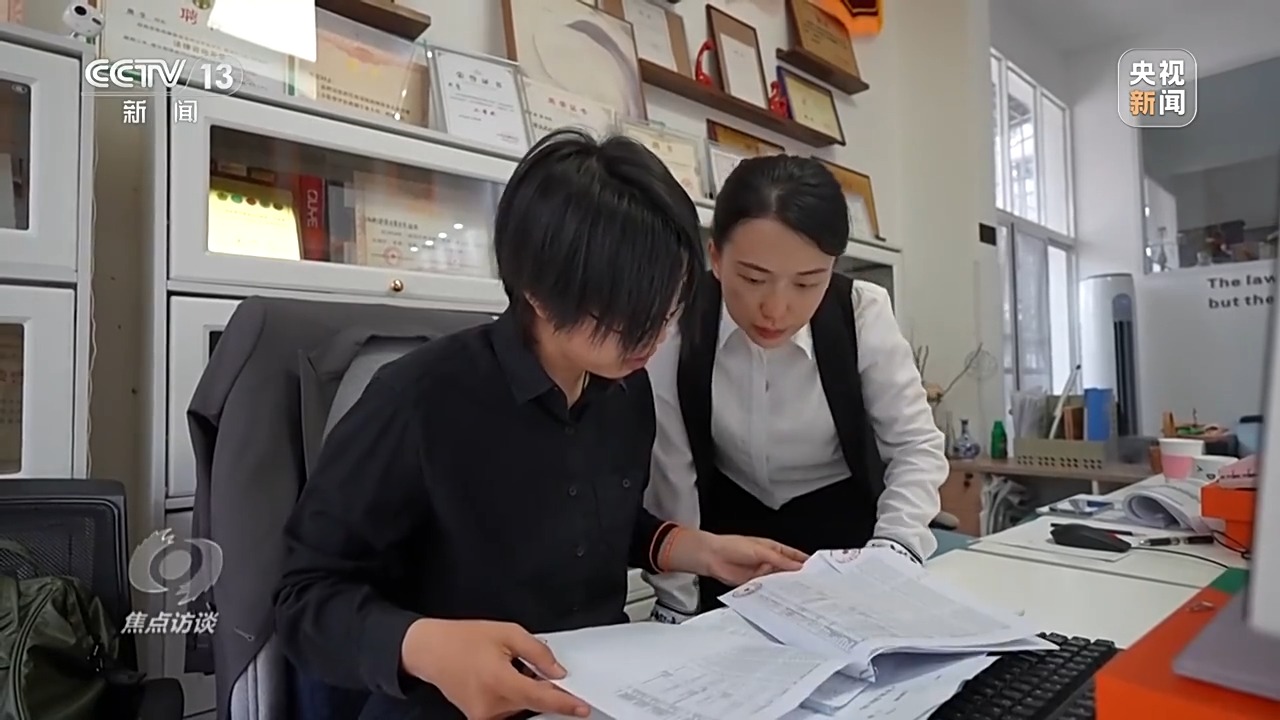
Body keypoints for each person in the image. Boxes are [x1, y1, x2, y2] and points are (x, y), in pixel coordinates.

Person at [273, 131, 808, 720]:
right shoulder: (418, 400)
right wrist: (425, 646)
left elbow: (591, 516)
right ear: (539, 290)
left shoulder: (626, 388)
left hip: (603, 689)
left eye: (669, 309)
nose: (654, 337)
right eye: (630, 315)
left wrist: (695, 549)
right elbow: (305, 598)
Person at [642, 155, 949, 622]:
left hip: (845, 543)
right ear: (716, 258)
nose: (776, 308)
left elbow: (914, 447)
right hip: (726, 545)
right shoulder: (680, 323)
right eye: (753, 278)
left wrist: (893, 550)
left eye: (807, 283)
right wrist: (676, 606)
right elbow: (671, 475)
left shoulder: (860, 313)